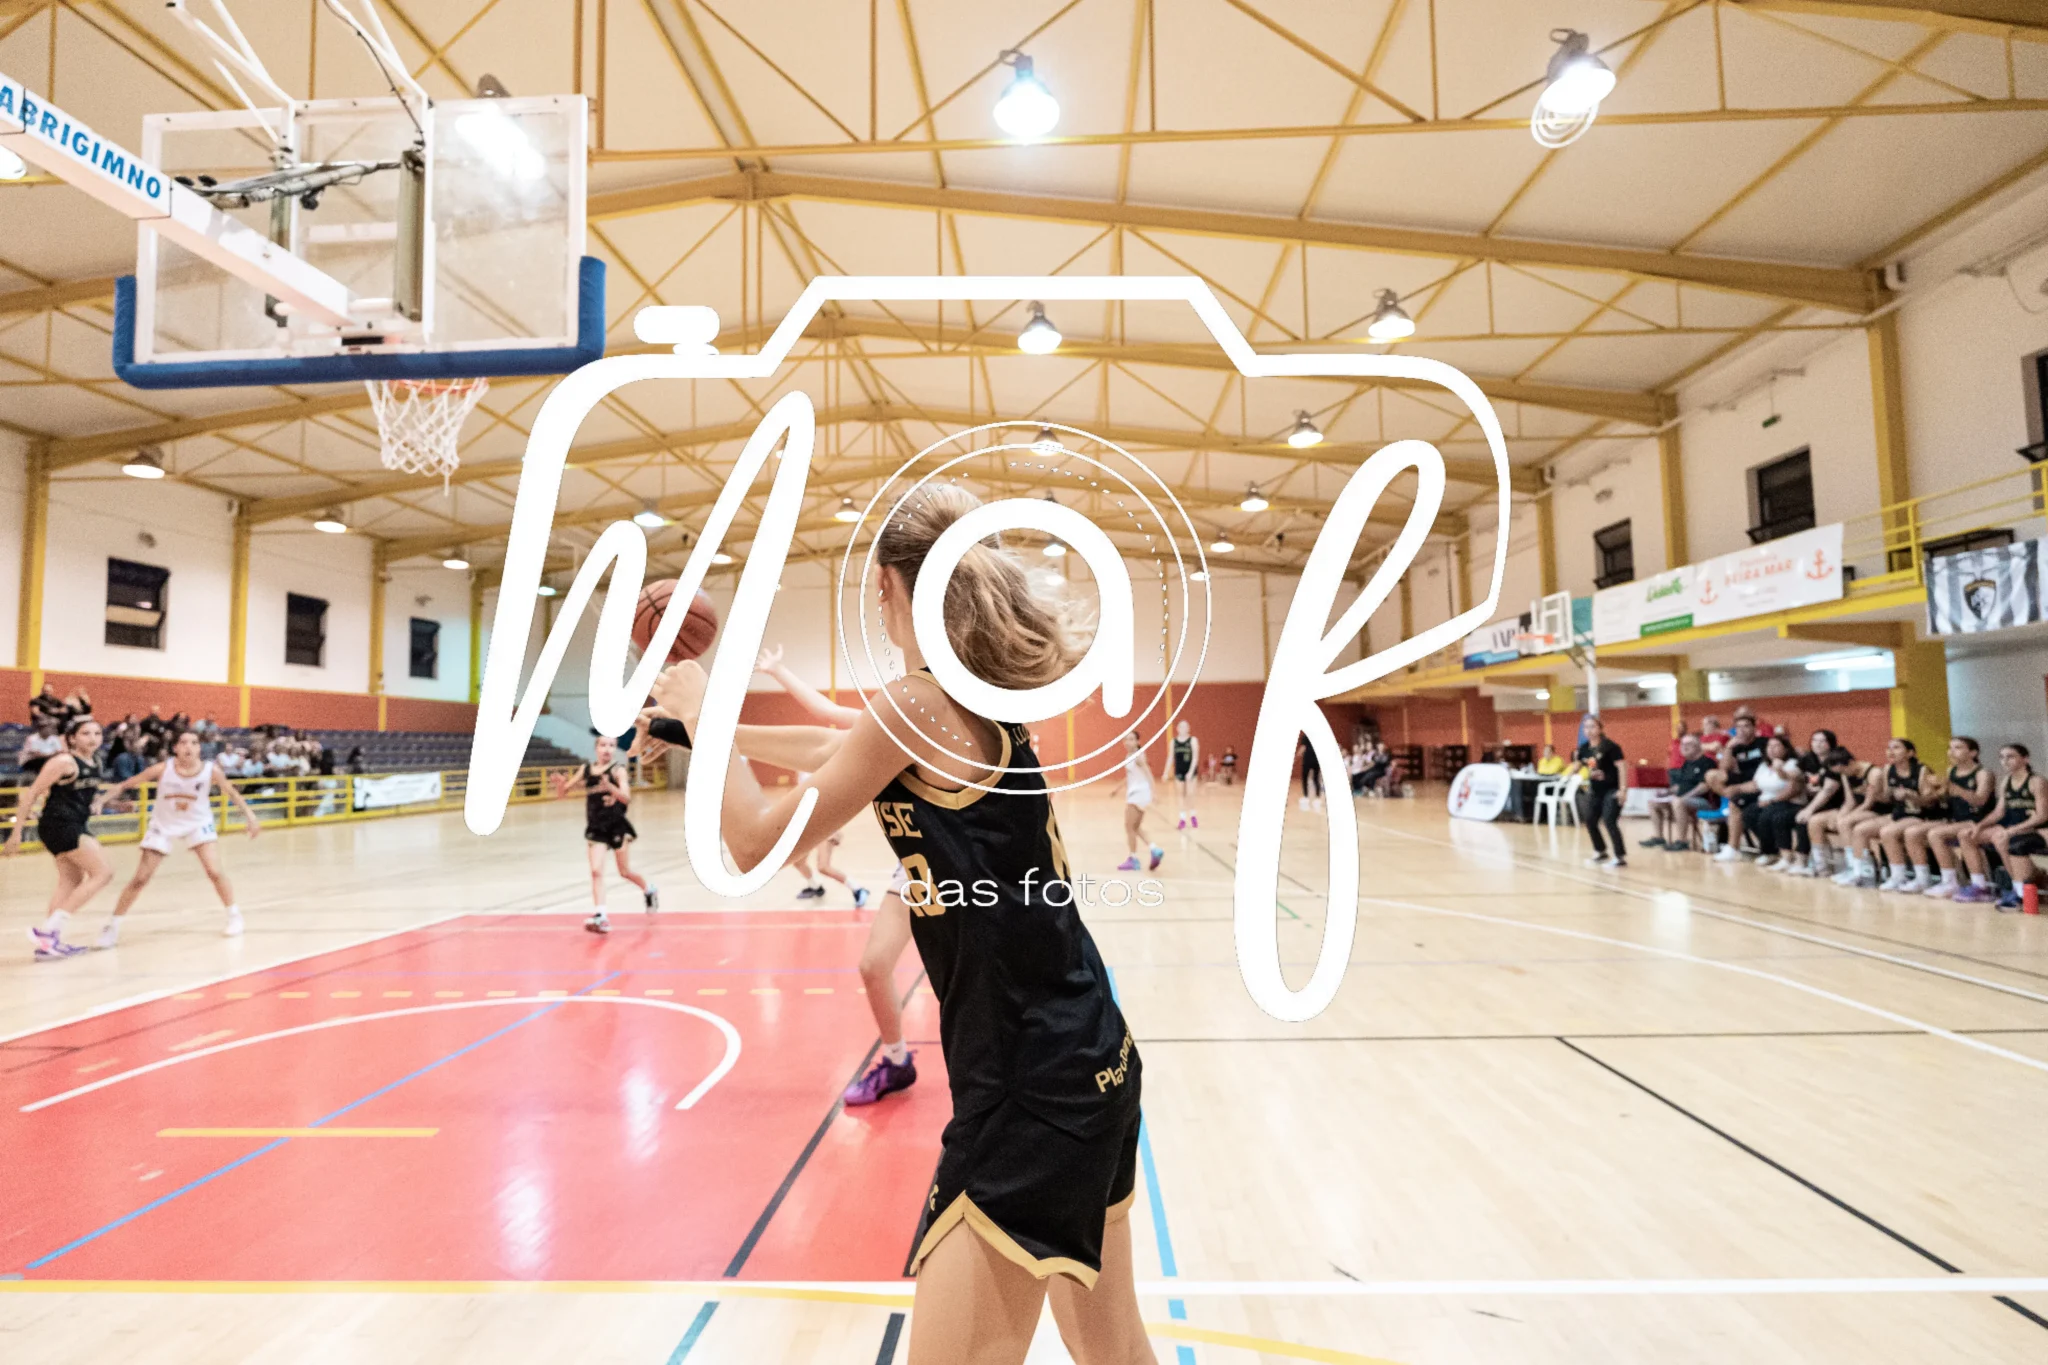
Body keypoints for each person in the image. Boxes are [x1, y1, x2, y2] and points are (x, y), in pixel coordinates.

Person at [650, 485, 1154, 1364]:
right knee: (1112, 1348)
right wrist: (697, 730)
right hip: (1090, 1057)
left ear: (887, 583)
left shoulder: (915, 705)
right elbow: (835, 749)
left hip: (1030, 1086)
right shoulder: (962, 699)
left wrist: (701, 708)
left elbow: (753, 839)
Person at [744, 644, 917, 1106]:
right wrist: (779, 670)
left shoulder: (946, 725)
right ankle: (897, 1060)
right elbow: (824, 717)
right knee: (874, 966)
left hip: (970, 870)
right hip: (916, 868)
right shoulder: (891, 719)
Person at [93, 729, 262, 944]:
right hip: (164, 825)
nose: (188, 747)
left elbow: (232, 793)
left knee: (214, 871)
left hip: (198, 823)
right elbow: (127, 784)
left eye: (193, 742)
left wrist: (250, 817)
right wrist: (102, 800)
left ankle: (234, 915)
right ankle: (112, 926)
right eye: (183, 742)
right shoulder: (163, 768)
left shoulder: (211, 770)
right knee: (140, 878)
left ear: (199, 748)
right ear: (175, 748)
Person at [4, 716, 113, 960]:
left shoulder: (95, 761)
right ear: (72, 738)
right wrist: (16, 832)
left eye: (97, 733)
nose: (93, 738)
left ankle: (48, 945)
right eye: (86, 733)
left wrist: (100, 803)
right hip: (59, 824)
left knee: (71, 879)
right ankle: (48, 930)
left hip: (75, 822)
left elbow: (81, 795)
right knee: (103, 873)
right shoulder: (64, 761)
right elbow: (32, 793)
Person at [548, 735, 656, 934]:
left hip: (617, 826)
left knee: (624, 872)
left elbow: (626, 798)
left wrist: (610, 787)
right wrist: (561, 784)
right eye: (603, 745)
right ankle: (601, 916)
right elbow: (562, 794)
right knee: (596, 871)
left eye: (611, 746)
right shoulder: (586, 770)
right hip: (596, 827)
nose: (607, 749)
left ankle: (648, 889)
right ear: (596, 748)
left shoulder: (618, 770)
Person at [1956, 744, 2048, 909]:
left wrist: (2014, 829)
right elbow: (1999, 812)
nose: (2005, 761)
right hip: (2012, 827)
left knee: (2001, 839)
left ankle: (2020, 889)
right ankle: (1980, 886)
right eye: (2002, 757)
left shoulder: (2036, 781)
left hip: (2035, 828)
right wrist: (1980, 825)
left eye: (2010, 756)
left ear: (2025, 759)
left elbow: (2042, 816)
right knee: (1967, 835)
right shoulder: (2006, 781)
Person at [1834, 739, 1925, 888]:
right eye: (1889, 748)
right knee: (1860, 830)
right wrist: (1875, 794)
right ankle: (1863, 872)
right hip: (1898, 814)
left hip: (1920, 814)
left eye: (1896, 748)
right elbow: (1887, 798)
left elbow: (1930, 802)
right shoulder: (1888, 769)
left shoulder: (1921, 770)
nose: (1891, 751)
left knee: (1887, 832)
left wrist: (1911, 796)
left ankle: (1900, 876)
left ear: (1910, 753)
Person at [1912, 738, 1996, 898]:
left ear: (1973, 753)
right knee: (1918, 832)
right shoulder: (1951, 771)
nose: (1952, 752)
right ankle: (1942, 879)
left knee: (1936, 834)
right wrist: (1927, 792)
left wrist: (1955, 788)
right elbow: (1943, 796)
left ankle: (1956, 882)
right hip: (1956, 819)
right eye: (1950, 748)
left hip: (1978, 820)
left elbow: (1980, 800)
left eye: (1958, 747)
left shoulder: (1983, 773)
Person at [1712, 713, 1769, 862]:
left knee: (1736, 804)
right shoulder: (1735, 747)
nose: (1742, 730)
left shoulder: (1764, 743)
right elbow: (1723, 769)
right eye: (1738, 727)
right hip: (1746, 786)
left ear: (1754, 728)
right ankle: (1732, 848)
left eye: (1746, 726)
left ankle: (1734, 847)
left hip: (1764, 785)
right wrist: (1728, 748)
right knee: (1715, 778)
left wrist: (1740, 788)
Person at [1571, 714, 1626, 868]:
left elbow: (1621, 767)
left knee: (1609, 820)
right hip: (1596, 790)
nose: (1589, 730)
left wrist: (1623, 790)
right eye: (1586, 727)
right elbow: (1582, 765)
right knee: (1590, 819)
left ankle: (1619, 856)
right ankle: (1600, 851)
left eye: (1592, 727)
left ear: (1600, 729)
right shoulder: (1584, 748)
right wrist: (1574, 768)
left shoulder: (1611, 747)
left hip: (1612, 789)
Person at [1643, 733, 1713, 851]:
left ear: (1698, 746)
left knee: (1678, 802)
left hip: (1704, 801)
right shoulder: (1687, 763)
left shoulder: (1707, 763)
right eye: (1682, 744)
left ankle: (1682, 841)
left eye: (1688, 744)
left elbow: (1704, 787)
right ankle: (1658, 837)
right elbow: (1680, 786)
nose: (1684, 747)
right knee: (1653, 802)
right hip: (1683, 799)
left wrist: (1684, 797)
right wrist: (1666, 793)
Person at [1750, 735, 1810, 870]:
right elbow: (1754, 784)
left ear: (1786, 749)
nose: (1771, 749)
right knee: (1749, 813)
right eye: (1769, 746)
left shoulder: (1793, 763)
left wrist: (1771, 800)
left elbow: (1792, 786)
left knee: (1771, 816)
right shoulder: (1764, 765)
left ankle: (1783, 855)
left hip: (1788, 800)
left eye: (1776, 746)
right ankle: (1771, 849)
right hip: (1766, 799)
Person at [1119, 731, 1165, 873]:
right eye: (1126, 739)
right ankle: (1154, 849)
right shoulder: (1130, 756)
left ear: (1138, 742)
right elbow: (1130, 776)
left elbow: (1148, 773)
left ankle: (1133, 859)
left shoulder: (1138, 756)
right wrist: (1117, 788)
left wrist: (1154, 792)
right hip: (1139, 793)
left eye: (1131, 739)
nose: (1128, 742)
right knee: (1136, 827)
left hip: (1138, 794)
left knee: (1129, 826)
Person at [1166, 720, 1200, 830]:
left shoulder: (1193, 740)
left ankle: (1193, 816)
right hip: (1179, 770)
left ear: (1188, 728)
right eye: (1181, 727)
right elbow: (1170, 757)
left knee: (1190, 794)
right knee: (1180, 795)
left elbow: (1195, 757)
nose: (1183, 729)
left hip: (1190, 770)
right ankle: (1182, 819)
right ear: (1177, 729)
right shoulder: (1173, 742)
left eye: (1185, 727)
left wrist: (1190, 772)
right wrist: (1166, 772)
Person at [1296, 734, 1324, 812]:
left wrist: (1296, 757)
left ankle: (1306, 796)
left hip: (1307, 760)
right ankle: (1317, 798)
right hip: (1316, 760)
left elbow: (1303, 748)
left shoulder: (1305, 736)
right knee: (1316, 779)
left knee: (1305, 778)